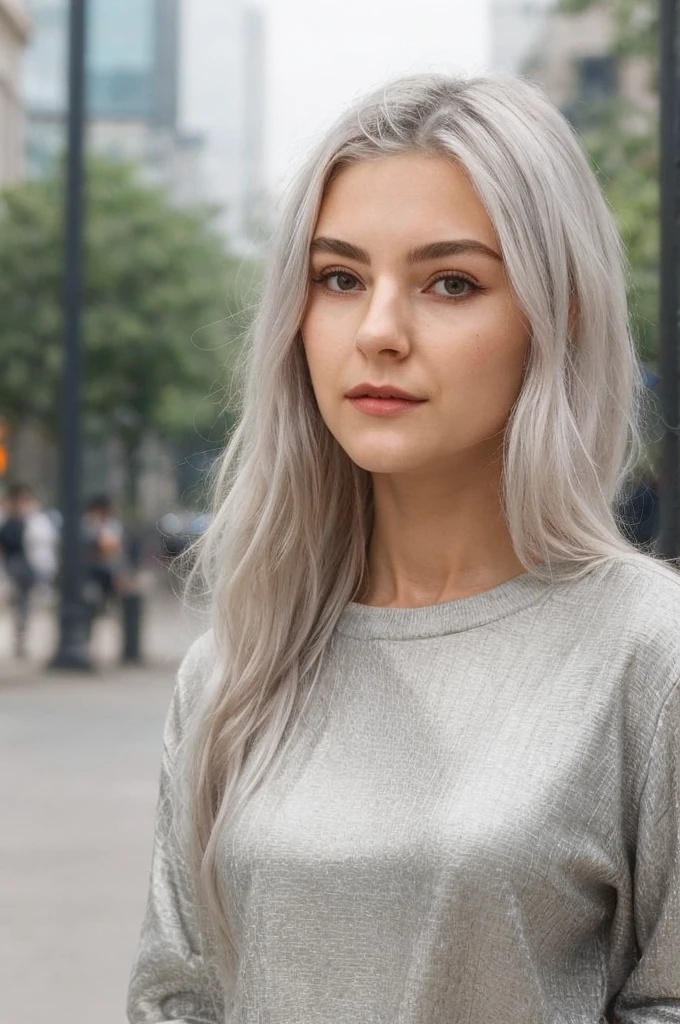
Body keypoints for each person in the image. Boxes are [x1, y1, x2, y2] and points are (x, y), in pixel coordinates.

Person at [127, 75, 680, 1023]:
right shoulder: (237, 666)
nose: (378, 332)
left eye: (450, 283)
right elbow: (177, 998)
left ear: (561, 318)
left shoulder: (648, 655)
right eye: (340, 278)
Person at [0, 482, 59, 657]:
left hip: (27, 568)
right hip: (11, 566)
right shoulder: (7, 520)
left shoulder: (35, 520)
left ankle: (21, 639)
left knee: (24, 605)